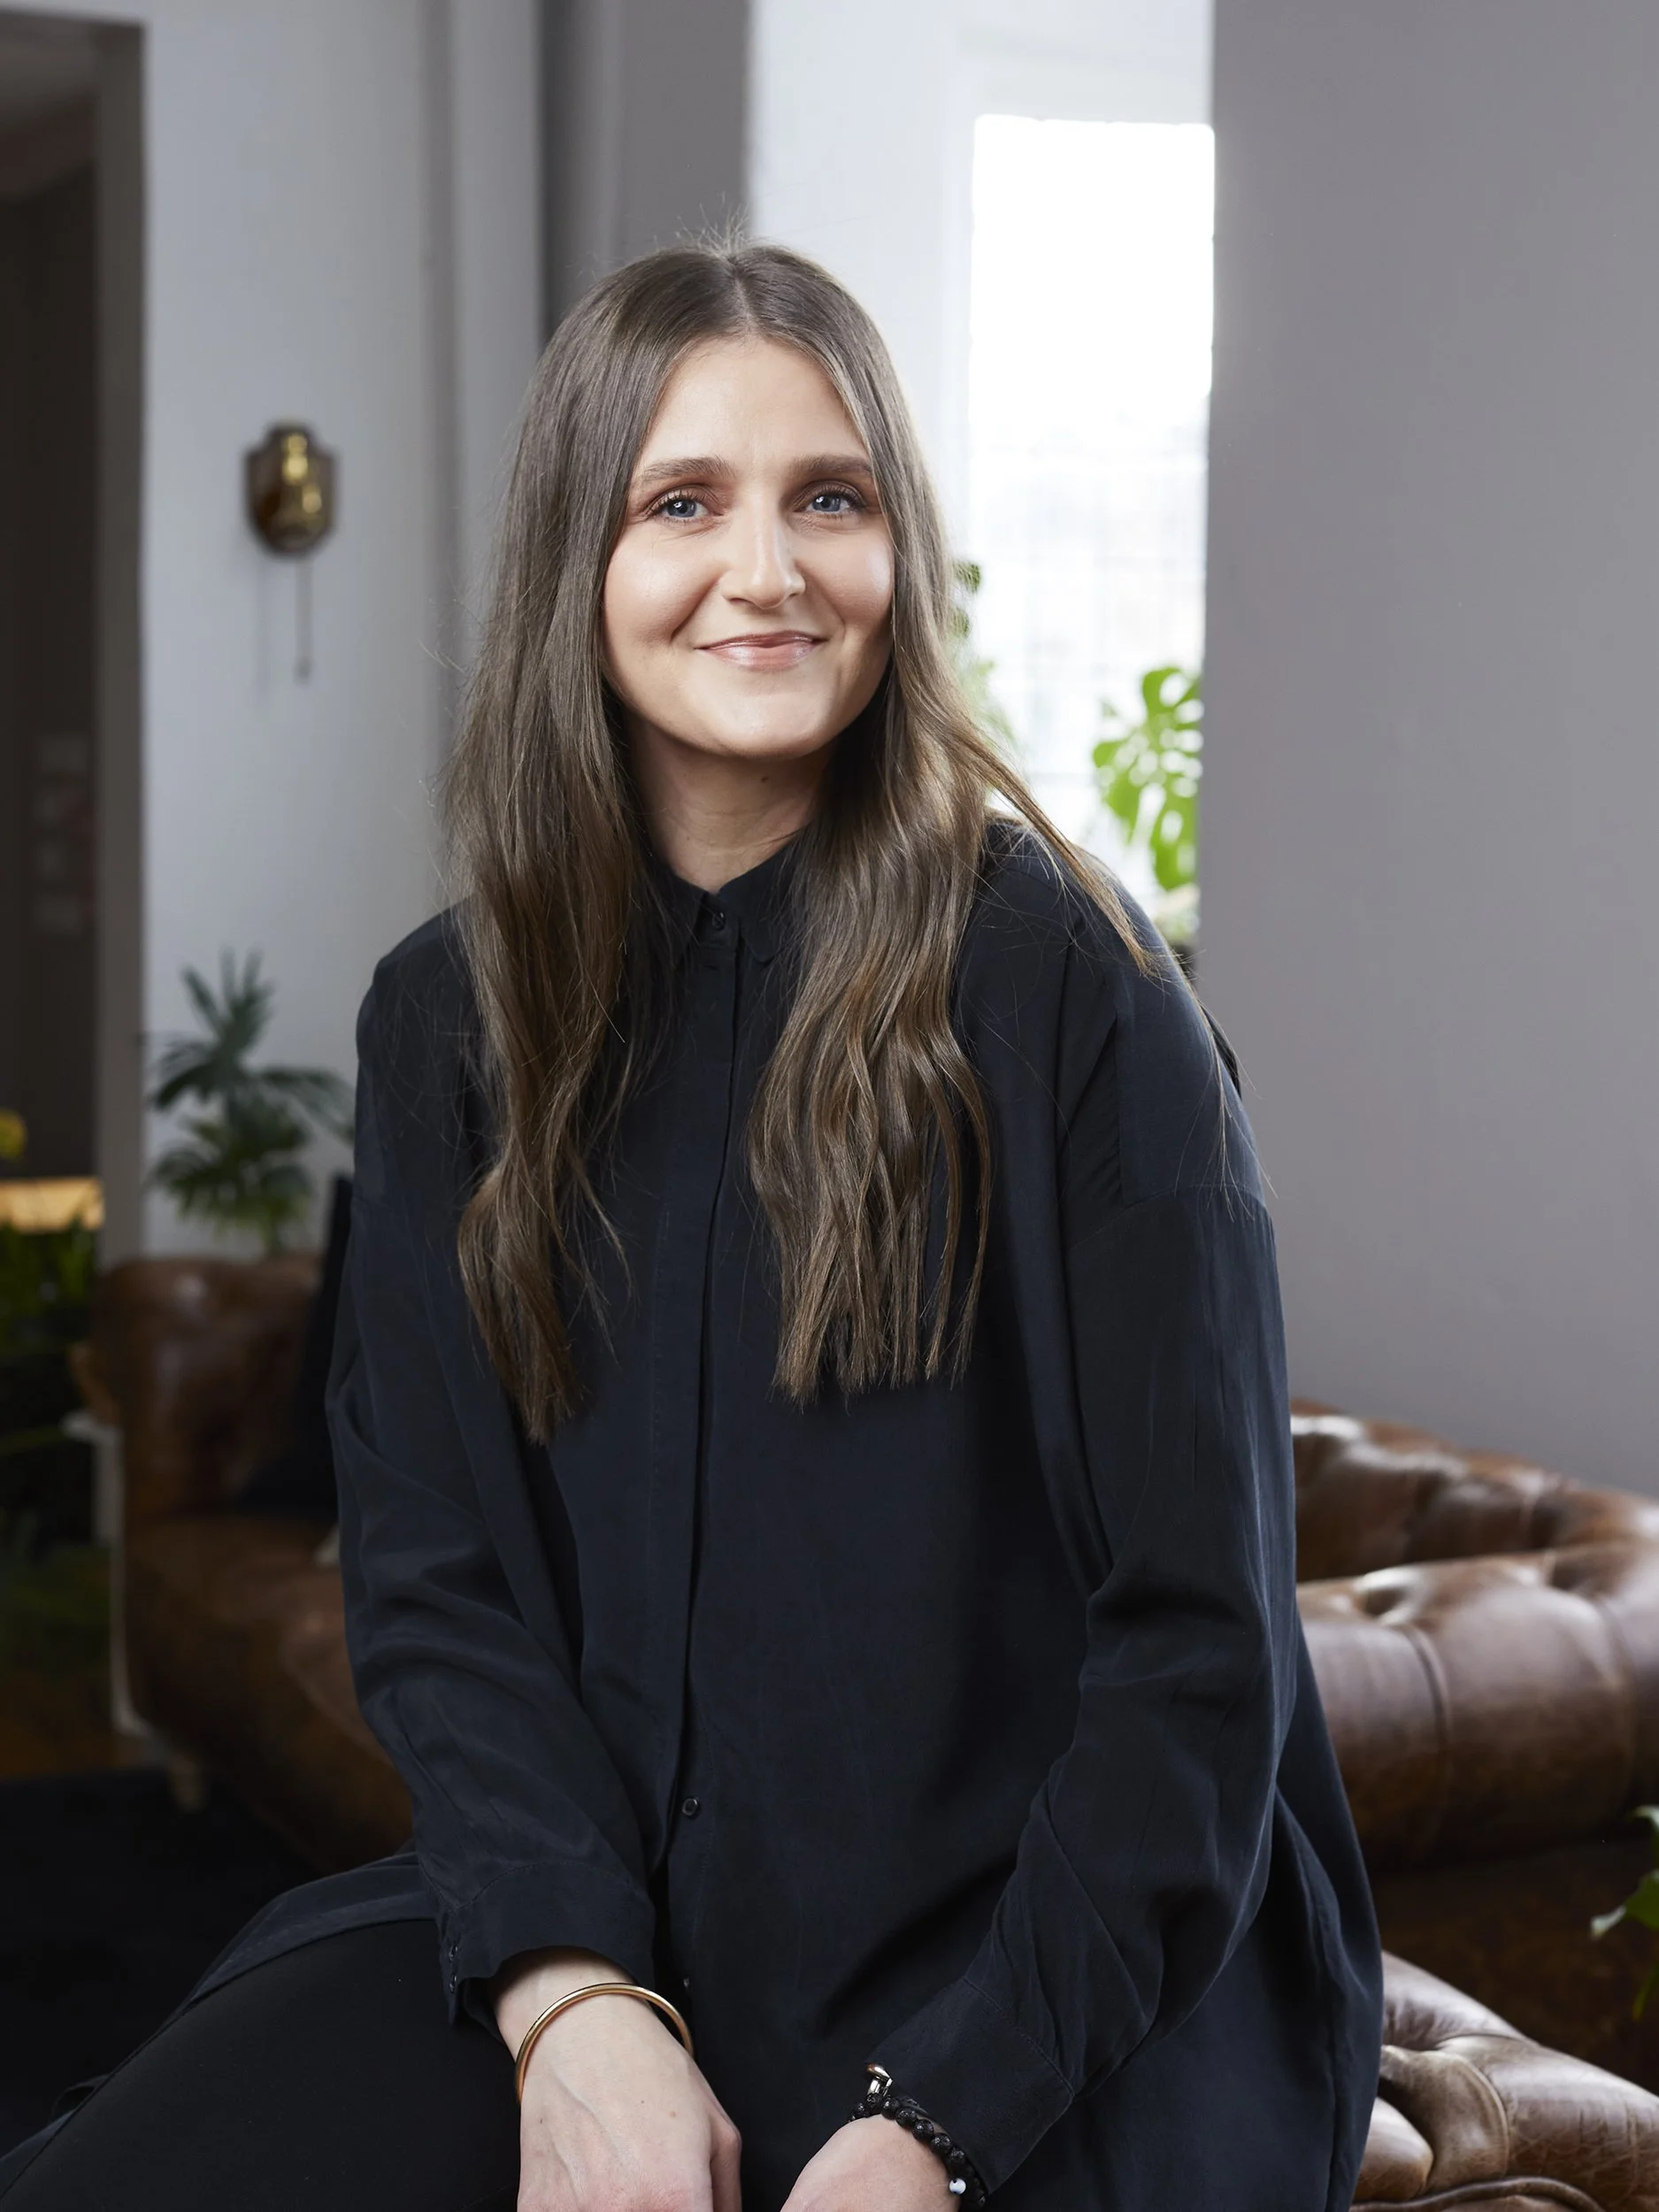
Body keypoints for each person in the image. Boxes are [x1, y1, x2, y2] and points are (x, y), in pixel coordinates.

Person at [0, 242, 1381, 2212]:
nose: (769, 568)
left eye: (832, 494)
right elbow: (439, 1576)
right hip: (622, 1904)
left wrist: (936, 2123)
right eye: (682, 502)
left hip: (1059, 1966)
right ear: (579, 558)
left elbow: (1200, 1655)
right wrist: (573, 1997)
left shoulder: (1079, 991)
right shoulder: (446, 1021)